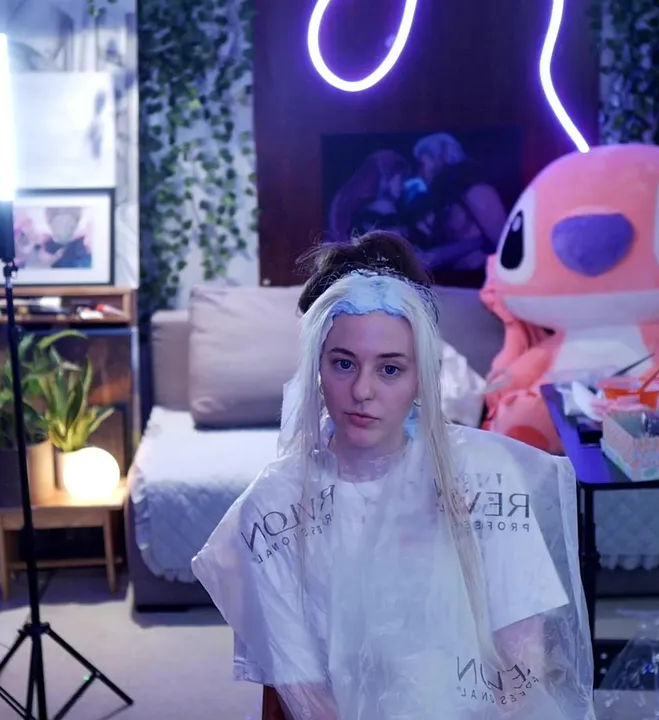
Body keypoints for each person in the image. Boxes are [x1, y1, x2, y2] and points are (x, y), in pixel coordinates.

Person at [192, 231, 594, 719]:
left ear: (421, 374)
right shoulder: (275, 508)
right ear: (317, 365)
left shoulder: (486, 478)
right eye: (344, 363)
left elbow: (523, 656)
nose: (362, 391)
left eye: (389, 369)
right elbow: (303, 690)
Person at [411, 133, 508, 270]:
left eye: (422, 165)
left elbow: (504, 245)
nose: (419, 173)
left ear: (441, 157)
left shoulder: (477, 192)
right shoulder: (445, 201)